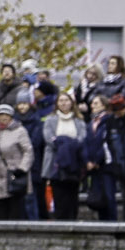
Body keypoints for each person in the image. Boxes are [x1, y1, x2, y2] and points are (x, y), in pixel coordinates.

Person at [40, 90, 88, 222]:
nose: (63, 103)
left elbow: (82, 137)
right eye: (61, 101)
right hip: (55, 163)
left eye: (66, 100)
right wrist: (62, 143)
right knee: (59, 196)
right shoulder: (50, 120)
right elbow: (48, 138)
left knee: (72, 196)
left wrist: (66, 143)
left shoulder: (78, 120)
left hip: (74, 163)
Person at [0, 104, 34, 220]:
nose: (3, 118)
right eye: (0, 115)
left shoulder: (20, 131)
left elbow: (28, 151)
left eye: (6, 115)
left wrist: (22, 168)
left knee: (15, 210)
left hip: (14, 177)